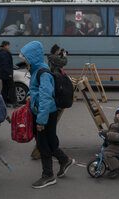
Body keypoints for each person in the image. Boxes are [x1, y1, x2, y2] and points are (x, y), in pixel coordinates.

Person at [19, 41, 75, 188]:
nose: (24, 61)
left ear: (32, 58)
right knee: (50, 142)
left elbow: (45, 98)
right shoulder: (37, 70)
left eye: (25, 58)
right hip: (45, 113)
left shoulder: (42, 72)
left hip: (45, 114)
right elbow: (36, 90)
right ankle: (64, 160)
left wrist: (41, 121)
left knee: (43, 145)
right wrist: (30, 95)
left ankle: (48, 175)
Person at [0, 41, 17, 107]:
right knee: (11, 87)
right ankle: (14, 102)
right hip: (6, 74)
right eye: (8, 45)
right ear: (6, 45)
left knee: (5, 88)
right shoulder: (4, 53)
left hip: (4, 73)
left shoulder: (2, 52)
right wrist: (9, 73)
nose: (9, 47)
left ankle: (4, 102)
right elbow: (5, 64)